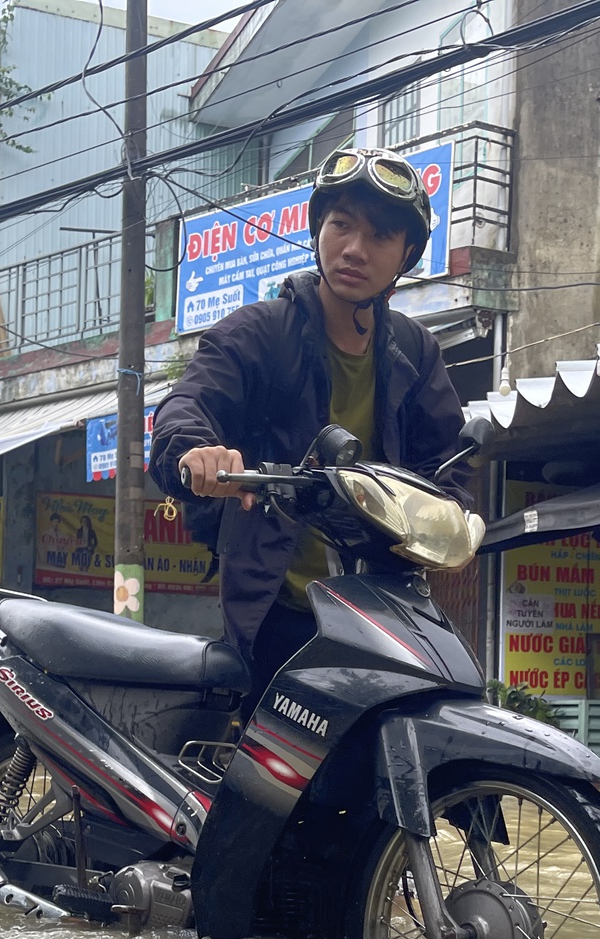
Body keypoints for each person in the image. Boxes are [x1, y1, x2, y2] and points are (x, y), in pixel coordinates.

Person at [149, 146, 474, 698]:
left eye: (379, 236)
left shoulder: (415, 353)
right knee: (273, 777)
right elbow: (189, 405)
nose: (354, 249)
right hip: (278, 605)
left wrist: (449, 513)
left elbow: (445, 463)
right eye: (340, 225)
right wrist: (198, 450)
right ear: (317, 230)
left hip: (382, 607)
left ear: (407, 255)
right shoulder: (260, 334)